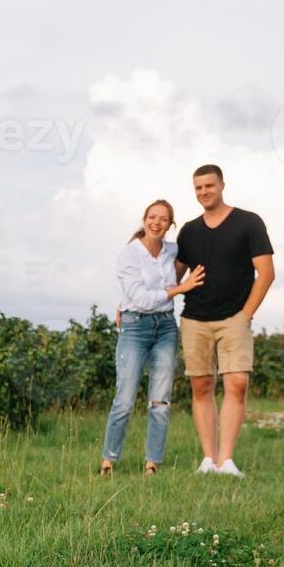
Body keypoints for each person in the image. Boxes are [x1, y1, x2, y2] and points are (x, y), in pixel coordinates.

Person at [174, 164, 276, 478]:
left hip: (235, 317)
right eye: (198, 188)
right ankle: (208, 459)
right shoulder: (189, 231)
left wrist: (245, 315)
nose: (204, 192)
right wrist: (132, 299)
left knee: (238, 384)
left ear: (221, 185)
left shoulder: (248, 222)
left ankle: (226, 461)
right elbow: (170, 278)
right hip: (195, 319)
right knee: (201, 386)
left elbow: (267, 273)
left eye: (209, 186)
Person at [101, 200, 205, 476]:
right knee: (124, 398)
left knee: (160, 400)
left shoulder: (173, 251)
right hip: (135, 326)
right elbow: (142, 299)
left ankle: (152, 464)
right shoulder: (129, 254)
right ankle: (109, 460)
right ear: (144, 219)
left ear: (170, 225)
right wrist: (180, 289)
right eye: (152, 217)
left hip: (166, 328)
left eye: (163, 219)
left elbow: (187, 264)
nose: (156, 223)